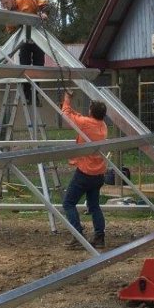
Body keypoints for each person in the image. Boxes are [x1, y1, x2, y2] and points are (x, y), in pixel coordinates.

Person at [60, 92, 108, 248]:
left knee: (68, 203)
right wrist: (74, 110)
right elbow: (80, 118)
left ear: (91, 112)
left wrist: (67, 99)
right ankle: (99, 237)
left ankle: (78, 236)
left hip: (85, 173)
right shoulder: (102, 125)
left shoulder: (86, 123)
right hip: (98, 173)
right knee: (94, 206)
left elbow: (66, 116)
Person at [0, 0, 48, 101]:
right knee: (24, 66)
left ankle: (35, 94)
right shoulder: (9, 15)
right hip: (24, 42)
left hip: (37, 39)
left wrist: (44, 13)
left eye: (6, 3)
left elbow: (43, 4)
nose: (5, 6)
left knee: (39, 66)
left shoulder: (26, 0)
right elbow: (10, 31)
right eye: (3, 5)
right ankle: (27, 95)